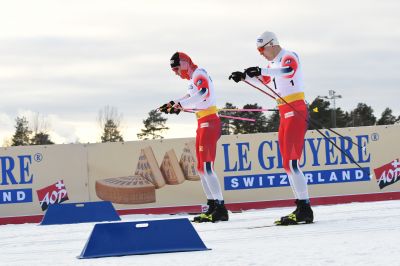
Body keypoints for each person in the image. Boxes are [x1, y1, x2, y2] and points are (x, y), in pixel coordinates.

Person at [229, 31, 314, 225]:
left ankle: (305, 208)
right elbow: (264, 80)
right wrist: (244, 77)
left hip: (295, 109)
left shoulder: (288, 56)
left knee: (292, 162)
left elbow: (287, 72)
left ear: (272, 44)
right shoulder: (271, 65)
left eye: (262, 49)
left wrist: (261, 71)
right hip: (284, 111)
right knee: (287, 163)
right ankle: (301, 206)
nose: (261, 53)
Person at [159, 52, 228, 223]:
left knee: (206, 167)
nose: (175, 72)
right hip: (202, 122)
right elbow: (191, 97)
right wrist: (173, 103)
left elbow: (203, 93)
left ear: (184, 63)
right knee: (201, 168)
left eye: (176, 68)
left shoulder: (199, 74)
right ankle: (212, 204)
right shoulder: (192, 80)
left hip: (209, 122)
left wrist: (180, 105)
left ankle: (220, 207)